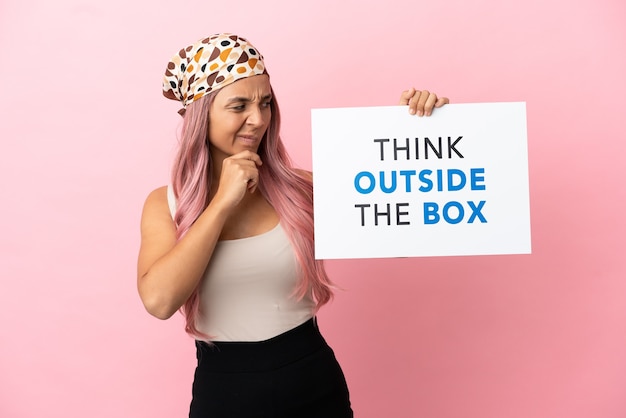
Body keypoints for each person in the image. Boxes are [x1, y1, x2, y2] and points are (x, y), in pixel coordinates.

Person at [137, 33, 448, 418]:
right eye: (239, 105)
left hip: (313, 382)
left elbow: (401, 234)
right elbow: (159, 301)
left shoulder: (303, 188)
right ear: (201, 115)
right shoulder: (166, 204)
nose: (258, 119)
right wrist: (221, 204)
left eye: (265, 103)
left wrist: (413, 135)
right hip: (224, 392)